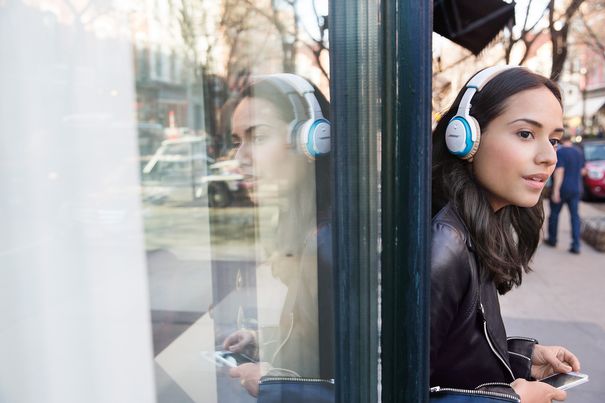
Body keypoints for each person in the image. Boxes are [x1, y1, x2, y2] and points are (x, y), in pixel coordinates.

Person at [431, 66, 581, 402]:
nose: (549, 157)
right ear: (464, 137)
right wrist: (508, 400)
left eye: (553, 140)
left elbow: (452, 361)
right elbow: (392, 389)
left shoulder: (474, 227)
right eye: (526, 134)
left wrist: (524, 358)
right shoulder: (443, 246)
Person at [219, 74, 333, 397]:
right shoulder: (307, 229)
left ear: (312, 139)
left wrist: (274, 386)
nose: (240, 158)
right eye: (237, 141)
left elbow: (371, 387)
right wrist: (262, 340)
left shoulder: (329, 244)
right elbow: (319, 345)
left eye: (257, 137)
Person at [544, 133, 586, 254]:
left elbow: (559, 171)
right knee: (575, 217)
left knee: (555, 215)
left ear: (562, 141)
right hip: (576, 189)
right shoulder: (579, 152)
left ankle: (552, 240)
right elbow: (583, 171)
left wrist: (555, 190)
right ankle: (576, 245)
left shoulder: (561, 153)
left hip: (563, 189)